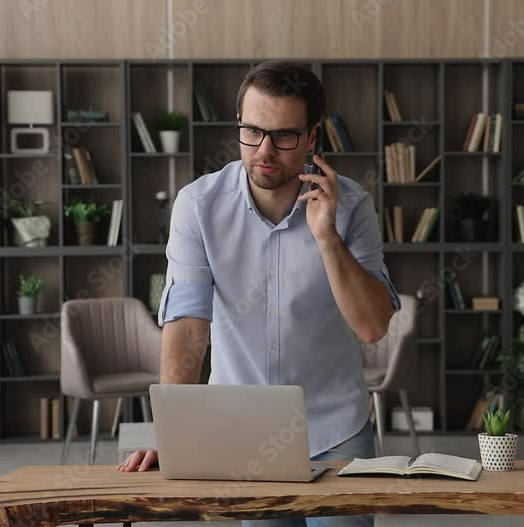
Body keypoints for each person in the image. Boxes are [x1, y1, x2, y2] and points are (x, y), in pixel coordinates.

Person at [117, 61, 400, 527]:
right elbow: (188, 327)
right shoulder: (198, 205)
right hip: (243, 430)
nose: (265, 150)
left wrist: (327, 238)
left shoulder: (352, 206)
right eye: (252, 131)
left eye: (284, 135)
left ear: (311, 137)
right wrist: (171, 431)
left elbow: (371, 327)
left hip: (336, 428)